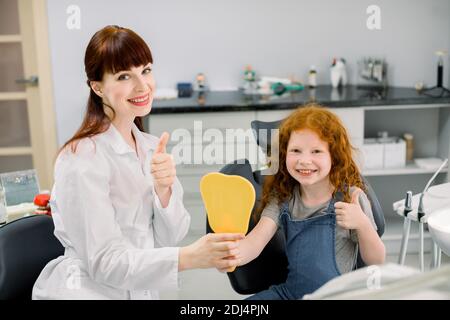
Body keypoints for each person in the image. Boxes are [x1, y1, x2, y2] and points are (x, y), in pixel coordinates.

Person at [32, 25, 243, 300]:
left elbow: (172, 236)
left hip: (140, 289)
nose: (142, 86)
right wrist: (191, 257)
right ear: (97, 87)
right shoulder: (81, 159)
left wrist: (164, 190)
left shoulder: (150, 147)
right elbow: (104, 263)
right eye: (124, 76)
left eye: (145, 70)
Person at [232, 104, 385, 300]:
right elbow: (255, 242)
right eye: (296, 150)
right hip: (290, 294)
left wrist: (362, 224)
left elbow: (377, 260)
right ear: (284, 154)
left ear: (334, 156)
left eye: (316, 151)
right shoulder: (282, 198)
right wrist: (231, 255)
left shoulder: (350, 199)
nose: (304, 160)